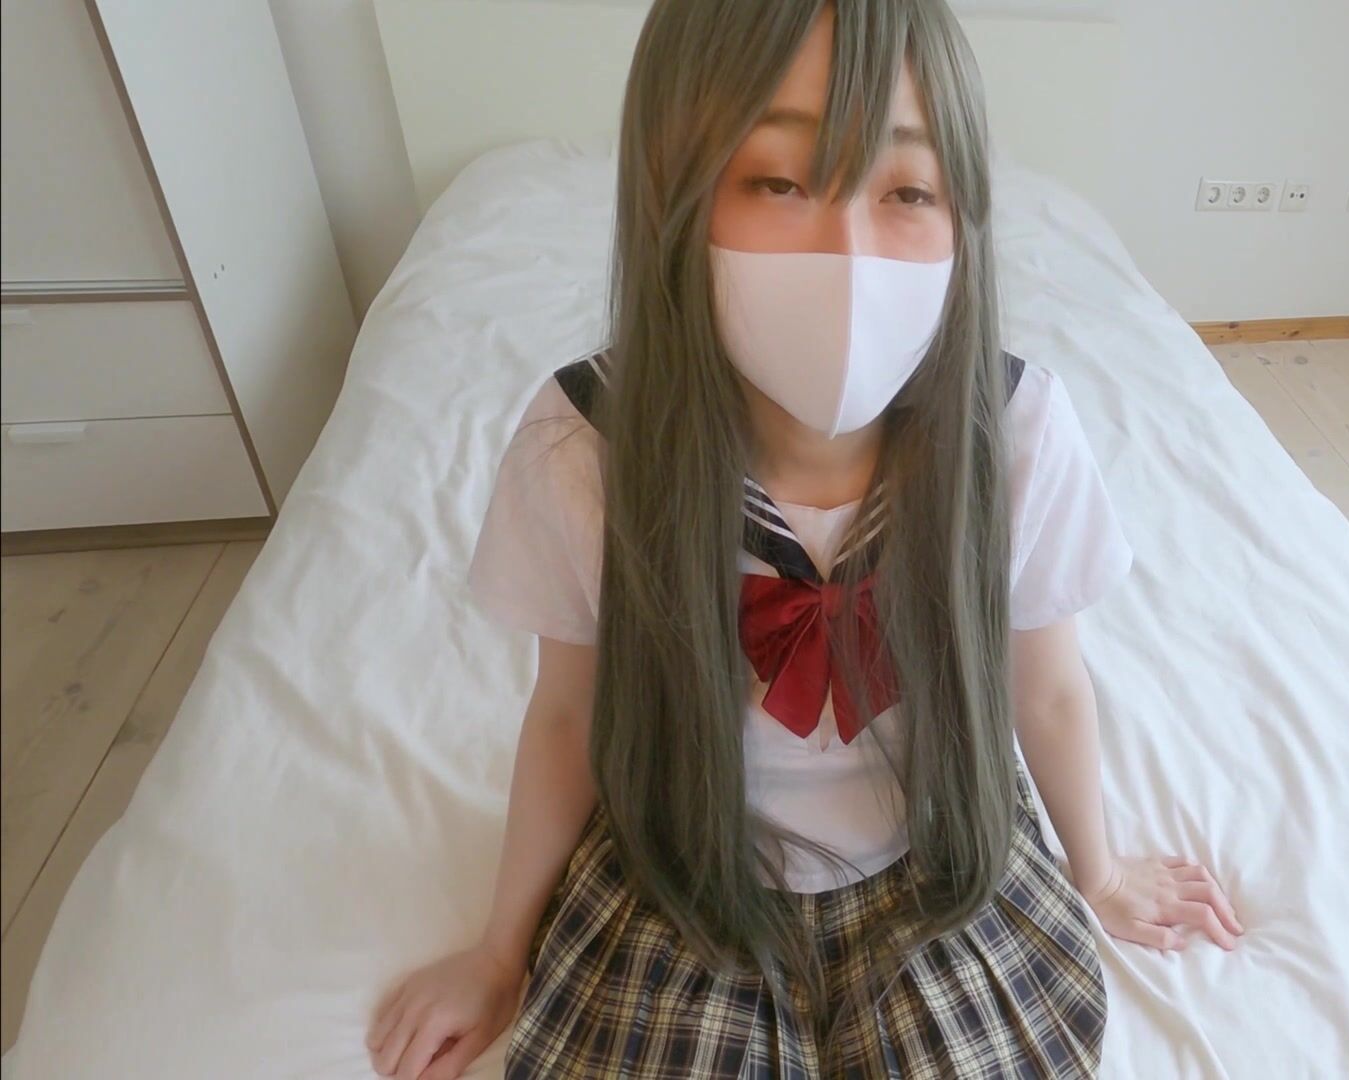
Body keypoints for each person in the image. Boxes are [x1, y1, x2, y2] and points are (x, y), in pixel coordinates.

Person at [366, 1, 1241, 1076]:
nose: (849, 255)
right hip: (685, 867)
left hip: (939, 859)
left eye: (908, 191)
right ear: (675, 193)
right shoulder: (588, 447)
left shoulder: (1014, 433)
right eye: (779, 181)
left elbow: (1048, 687)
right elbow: (568, 712)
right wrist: (502, 950)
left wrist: (1097, 871)